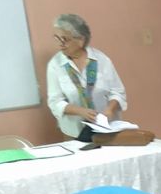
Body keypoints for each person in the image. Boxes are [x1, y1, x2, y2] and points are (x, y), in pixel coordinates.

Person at [46, 13, 127, 142]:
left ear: (81, 40)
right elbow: (55, 102)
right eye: (57, 38)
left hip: (106, 130)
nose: (60, 44)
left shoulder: (101, 60)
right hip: (74, 132)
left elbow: (117, 92)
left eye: (65, 39)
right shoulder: (55, 65)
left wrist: (110, 110)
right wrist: (80, 111)